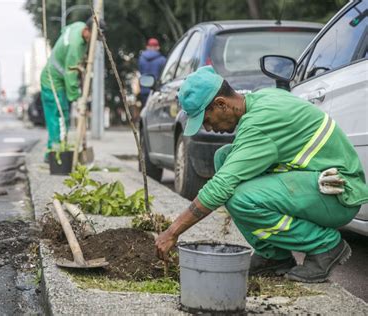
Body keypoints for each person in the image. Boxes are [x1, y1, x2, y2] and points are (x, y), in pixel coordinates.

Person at [155, 66, 368, 283]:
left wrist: (173, 231)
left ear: (221, 104)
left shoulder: (260, 125)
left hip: (339, 193)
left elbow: (220, 187)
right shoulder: (262, 98)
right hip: (314, 181)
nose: (208, 128)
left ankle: (325, 246)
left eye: (206, 120)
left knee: (240, 198)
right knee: (224, 157)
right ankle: (274, 256)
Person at [40, 18, 104, 158]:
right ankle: (55, 155)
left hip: (57, 80)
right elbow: (70, 75)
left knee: (61, 118)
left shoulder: (78, 25)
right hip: (52, 81)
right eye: (93, 38)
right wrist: (77, 99)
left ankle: (57, 152)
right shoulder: (75, 47)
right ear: (87, 31)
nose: (92, 42)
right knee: (60, 118)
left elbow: (64, 30)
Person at [138, 38, 166, 107]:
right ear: (158, 47)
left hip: (144, 90)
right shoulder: (162, 60)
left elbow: (141, 72)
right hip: (157, 91)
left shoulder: (141, 59)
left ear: (147, 47)